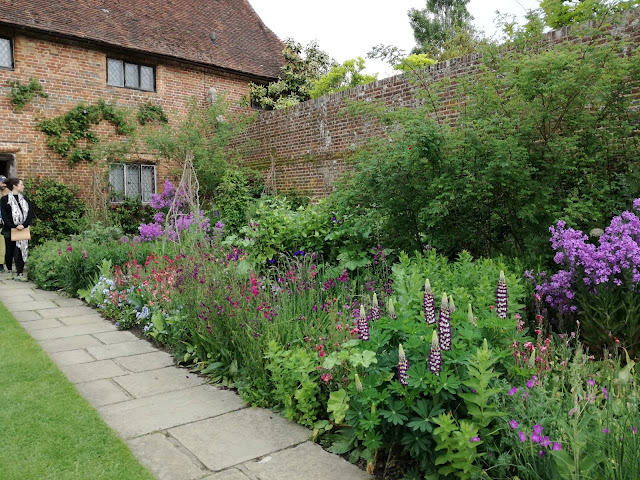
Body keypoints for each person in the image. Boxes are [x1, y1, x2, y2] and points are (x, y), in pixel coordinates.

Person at [0, 178, 33, 281]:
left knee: (20, 251)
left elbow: (29, 214)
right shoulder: (5, 200)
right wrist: (14, 226)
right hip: (10, 229)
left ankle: (20, 273)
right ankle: (10, 271)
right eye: (21, 184)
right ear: (15, 185)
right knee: (9, 251)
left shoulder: (25, 199)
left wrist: (24, 225)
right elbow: (5, 216)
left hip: (22, 229)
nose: (23, 186)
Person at [0, 175, 8, 273]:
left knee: (2, 245)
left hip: (3, 223)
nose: (4, 184)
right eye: (3, 182)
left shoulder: (7, 193)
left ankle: (1, 264)